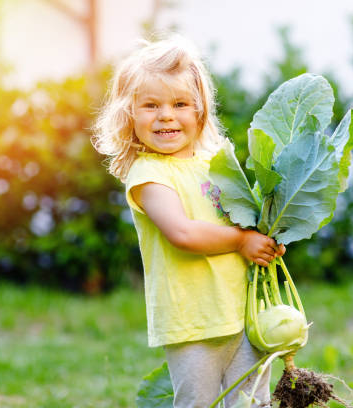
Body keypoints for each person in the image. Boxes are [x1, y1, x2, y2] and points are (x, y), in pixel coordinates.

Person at [92, 35, 285, 408]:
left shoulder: (217, 162)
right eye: (150, 105)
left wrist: (267, 238)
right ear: (129, 115)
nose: (166, 115)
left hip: (243, 313)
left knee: (254, 402)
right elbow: (181, 232)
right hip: (191, 320)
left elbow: (244, 223)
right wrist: (242, 242)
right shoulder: (148, 174)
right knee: (198, 402)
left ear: (200, 111)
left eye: (180, 103)